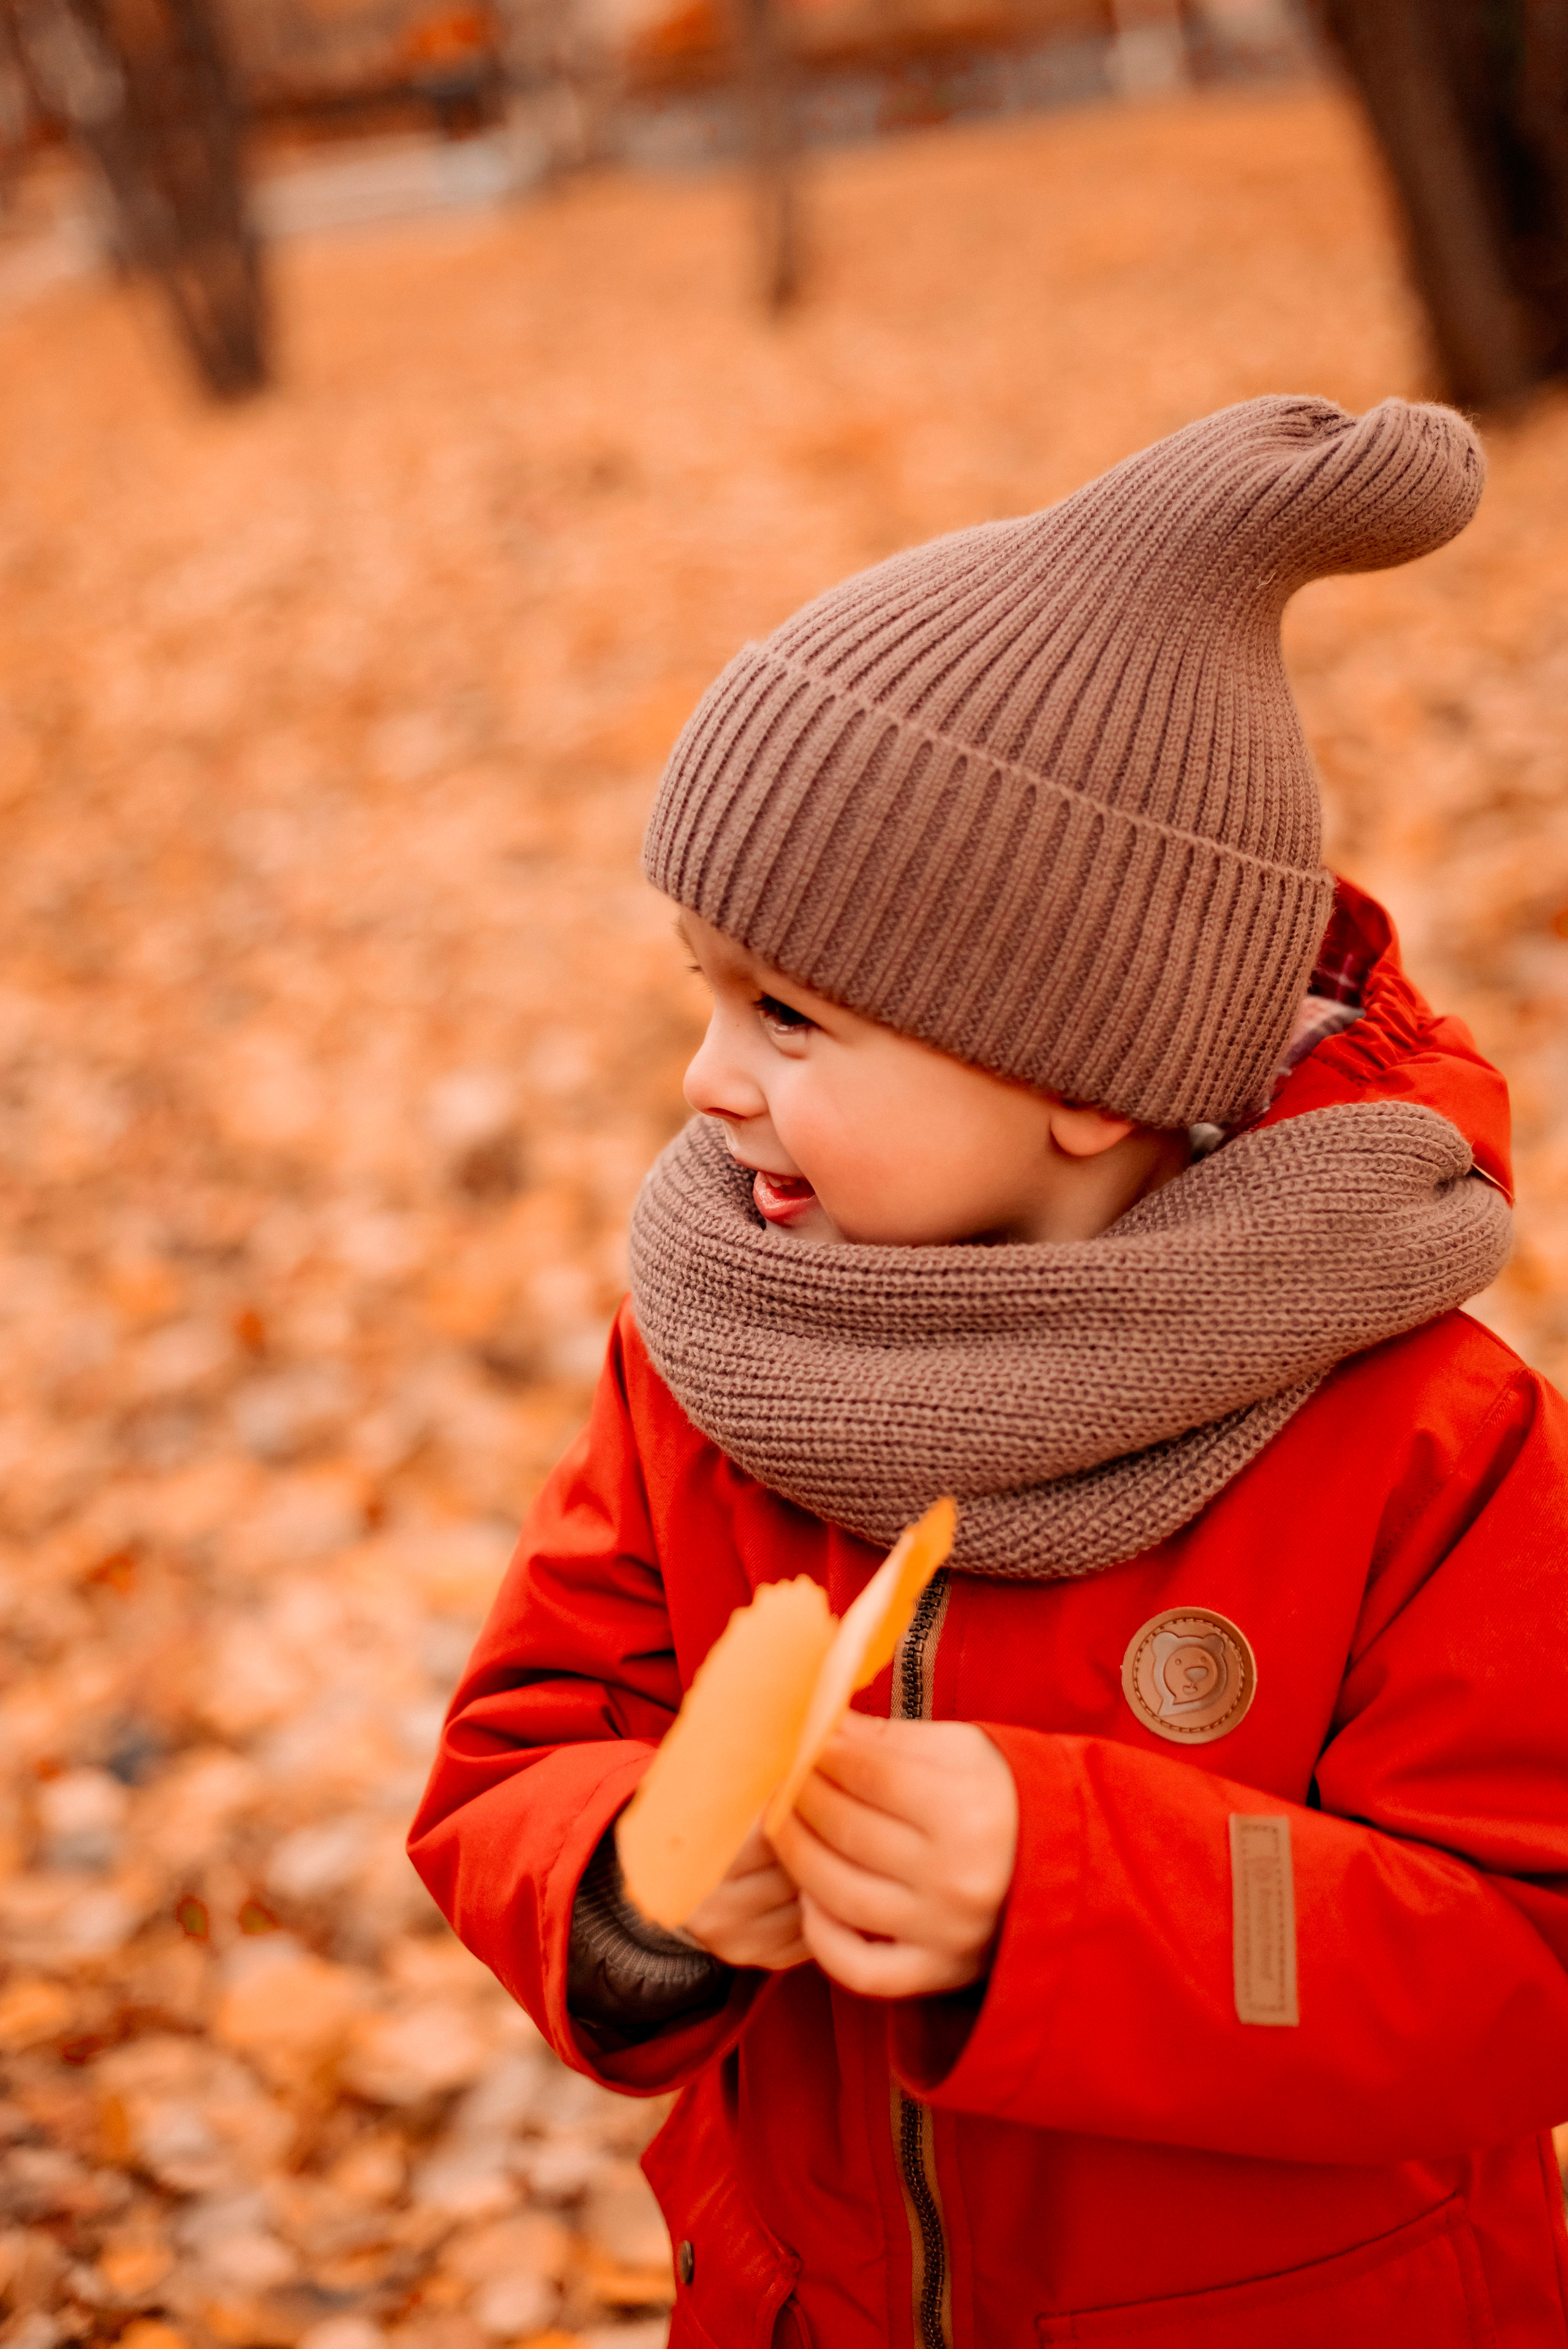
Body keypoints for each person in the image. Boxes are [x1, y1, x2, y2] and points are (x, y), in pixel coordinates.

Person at [409, 395, 1568, 2349]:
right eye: (702, 987)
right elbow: (517, 1746)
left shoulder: (1424, 1438)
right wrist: (622, 1889)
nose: (711, 1081)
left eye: (789, 1013)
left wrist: (1069, 1893)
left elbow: (1523, 1957)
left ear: (1083, 1073)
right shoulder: (716, 1354)